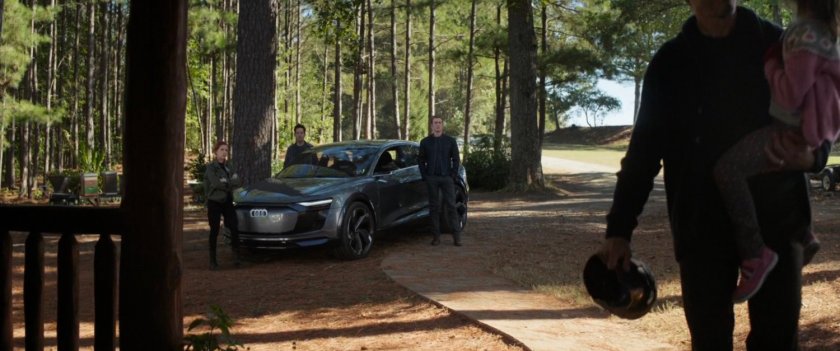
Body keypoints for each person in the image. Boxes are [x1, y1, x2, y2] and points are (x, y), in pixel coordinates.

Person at [596, 1, 831, 350]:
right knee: (709, 341)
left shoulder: (781, 45)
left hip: (778, 224)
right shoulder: (670, 63)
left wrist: (813, 156)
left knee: (777, 341)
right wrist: (619, 229)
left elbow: (825, 105)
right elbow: (644, 152)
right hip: (701, 225)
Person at [713, 0, 840, 303]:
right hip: (812, 130)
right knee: (772, 166)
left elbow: (791, 95)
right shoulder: (827, 33)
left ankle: (756, 253)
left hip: (789, 129)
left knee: (727, 170)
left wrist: (771, 64)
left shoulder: (802, 33)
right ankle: (804, 234)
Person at [418, 115, 462, 246]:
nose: (437, 125)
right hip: (431, 178)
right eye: (435, 123)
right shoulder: (425, 142)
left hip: (447, 178)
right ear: (431, 126)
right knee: (434, 207)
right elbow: (420, 160)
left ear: (442, 125)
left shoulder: (450, 141)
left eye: (440, 123)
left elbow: (456, 159)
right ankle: (436, 237)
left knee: (451, 206)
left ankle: (457, 237)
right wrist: (424, 175)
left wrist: (453, 175)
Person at [205, 141, 242, 270]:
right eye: (222, 149)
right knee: (214, 230)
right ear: (216, 152)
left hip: (227, 201)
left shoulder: (229, 167)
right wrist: (229, 182)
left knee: (234, 226)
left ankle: (236, 257)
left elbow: (237, 181)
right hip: (214, 202)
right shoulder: (211, 168)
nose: (224, 152)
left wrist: (226, 182)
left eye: (226, 150)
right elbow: (215, 183)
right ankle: (213, 260)